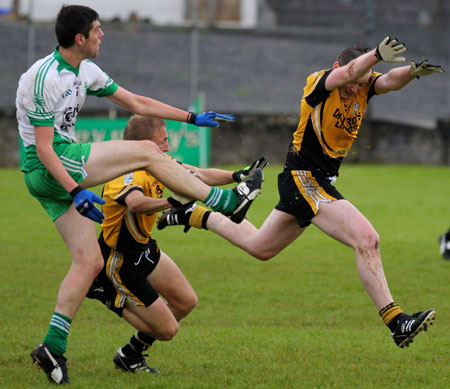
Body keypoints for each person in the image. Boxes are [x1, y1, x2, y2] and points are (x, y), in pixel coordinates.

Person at [16, 5, 263, 384]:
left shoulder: (86, 70)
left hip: (53, 174)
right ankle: (226, 203)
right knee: (149, 151)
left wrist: (192, 117)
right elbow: (46, 150)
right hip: (51, 167)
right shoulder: (41, 78)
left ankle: (53, 345)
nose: (103, 35)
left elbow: (137, 103)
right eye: (97, 30)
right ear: (79, 38)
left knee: (88, 262)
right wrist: (76, 189)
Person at [158, 37, 444, 349]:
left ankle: (193, 214)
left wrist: (412, 73)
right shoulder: (319, 82)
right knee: (367, 239)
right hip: (303, 179)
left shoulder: (361, 83)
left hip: (318, 182)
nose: (355, 89)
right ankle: (396, 321)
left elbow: (388, 80)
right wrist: (376, 54)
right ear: (339, 69)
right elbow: (350, 73)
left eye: (361, 84)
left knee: (260, 248)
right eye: (353, 82)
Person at [85, 115, 268, 374]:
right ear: (145, 143)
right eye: (164, 140)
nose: (168, 147)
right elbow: (135, 203)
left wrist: (238, 175)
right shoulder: (124, 170)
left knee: (185, 302)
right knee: (168, 330)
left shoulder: (159, 163)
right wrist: (173, 203)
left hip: (144, 249)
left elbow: (200, 175)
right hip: (120, 259)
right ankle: (103, 291)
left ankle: (130, 355)